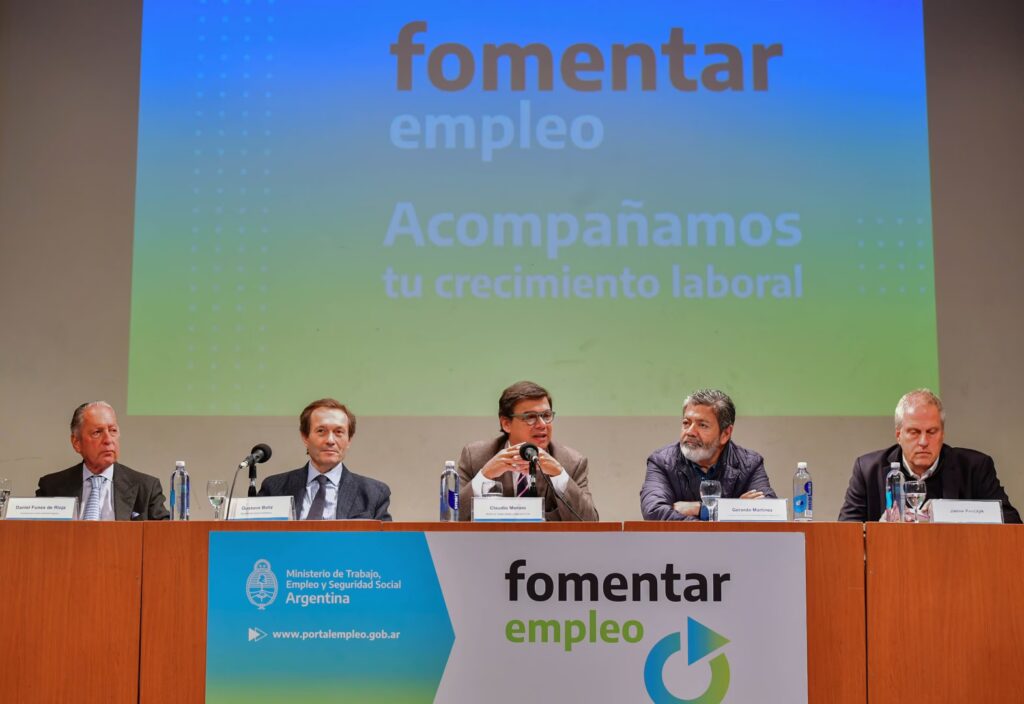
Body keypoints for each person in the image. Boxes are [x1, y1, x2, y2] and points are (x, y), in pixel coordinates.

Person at [839, 389, 1021, 523]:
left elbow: (1012, 523)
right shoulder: (869, 470)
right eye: (914, 432)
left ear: (943, 434)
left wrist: (949, 514)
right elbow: (847, 532)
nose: (924, 441)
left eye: (932, 432)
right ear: (898, 435)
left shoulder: (974, 468)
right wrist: (881, 527)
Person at [456, 381, 598, 521]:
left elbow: (590, 523)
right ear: (506, 424)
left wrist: (559, 476)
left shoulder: (571, 463)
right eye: (530, 417)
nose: (542, 425)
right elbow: (452, 517)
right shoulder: (476, 457)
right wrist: (485, 475)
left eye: (546, 415)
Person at [641, 389, 775, 520]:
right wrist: (736, 510)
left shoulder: (750, 464)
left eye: (702, 425)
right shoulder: (662, 462)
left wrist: (702, 509)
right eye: (686, 423)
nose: (690, 432)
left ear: (725, 434)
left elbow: (769, 509)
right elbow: (654, 511)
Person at [258, 398, 392, 520]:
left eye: (339, 432)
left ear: (349, 440)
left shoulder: (374, 493)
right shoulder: (274, 488)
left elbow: (385, 538)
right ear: (305, 437)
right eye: (321, 431)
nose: (330, 440)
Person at [36, 401, 169, 520]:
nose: (108, 440)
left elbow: (165, 534)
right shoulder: (51, 488)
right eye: (97, 432)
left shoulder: (146, 488)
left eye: (113, 430)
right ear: (76, 442)